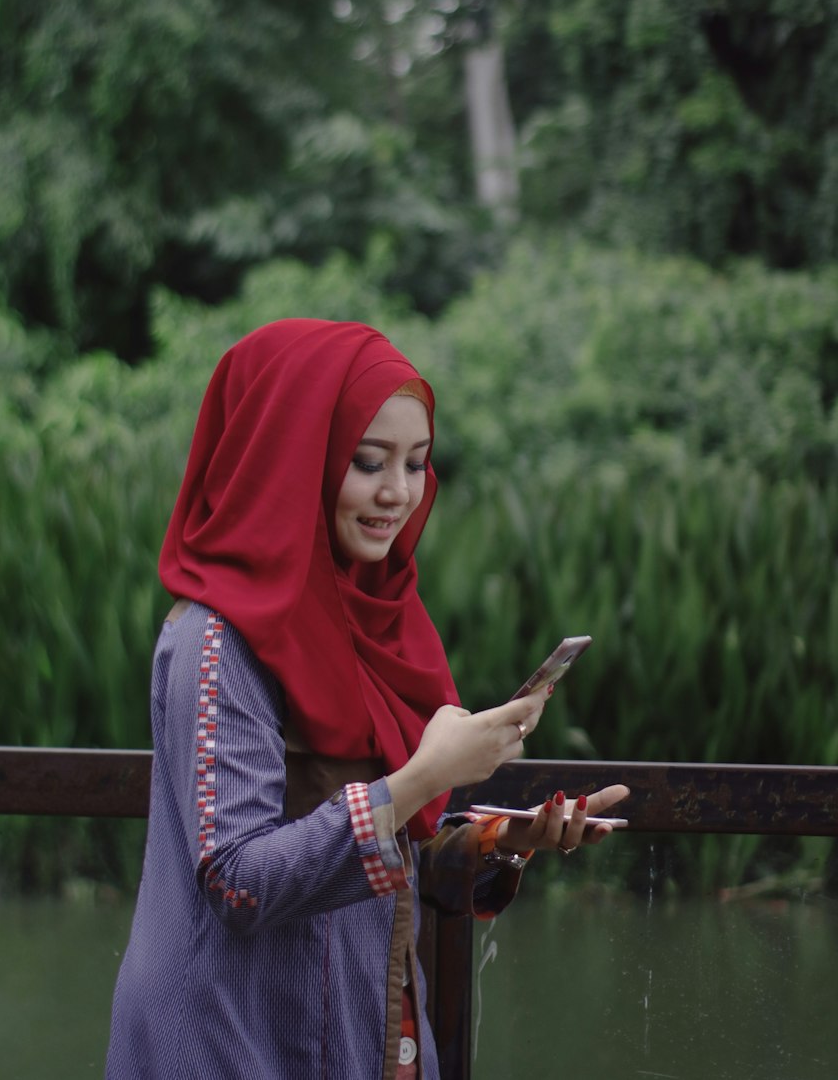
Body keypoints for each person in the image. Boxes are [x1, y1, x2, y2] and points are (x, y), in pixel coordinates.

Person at [106, 319, 628, 1080]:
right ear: (291, 459)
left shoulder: (371, 619)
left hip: (355, 1026)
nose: (398, 493)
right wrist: (422, 775)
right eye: (366, 461)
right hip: (232, 1040)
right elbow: (240, 880)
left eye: (416, 463)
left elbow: (378, 845)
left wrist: (500, 842)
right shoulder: (219, 639)